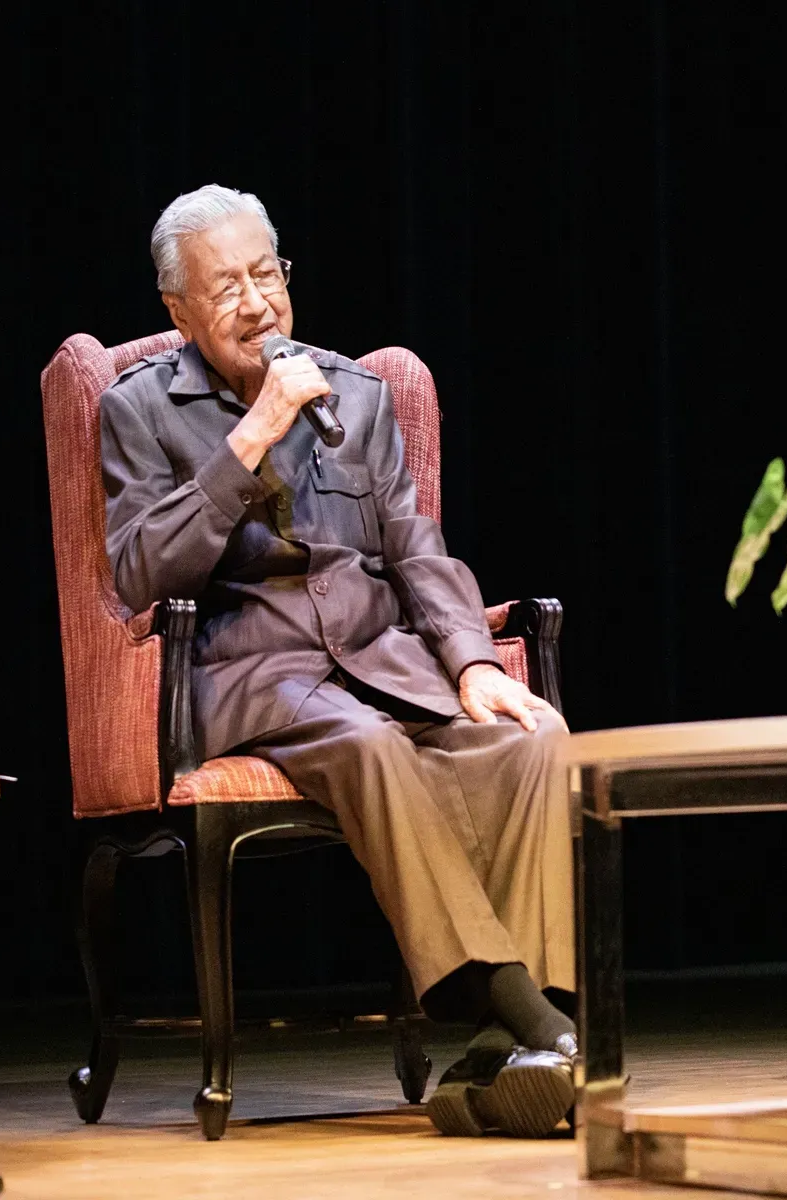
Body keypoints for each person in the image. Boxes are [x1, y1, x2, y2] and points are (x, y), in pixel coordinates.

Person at [100, 184, 576, 1137]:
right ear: (179, 312)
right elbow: (139, 570)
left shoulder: (356, 393)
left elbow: (415, 548)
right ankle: (540, 1023)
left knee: (534, 744)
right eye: (226, 287)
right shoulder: (139, 408)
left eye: (266, 274)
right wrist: (252, 436)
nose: (256, 303)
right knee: (370, 749)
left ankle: (505, 1057)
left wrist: (473, 664)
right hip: (255, 676)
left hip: (379, 661)